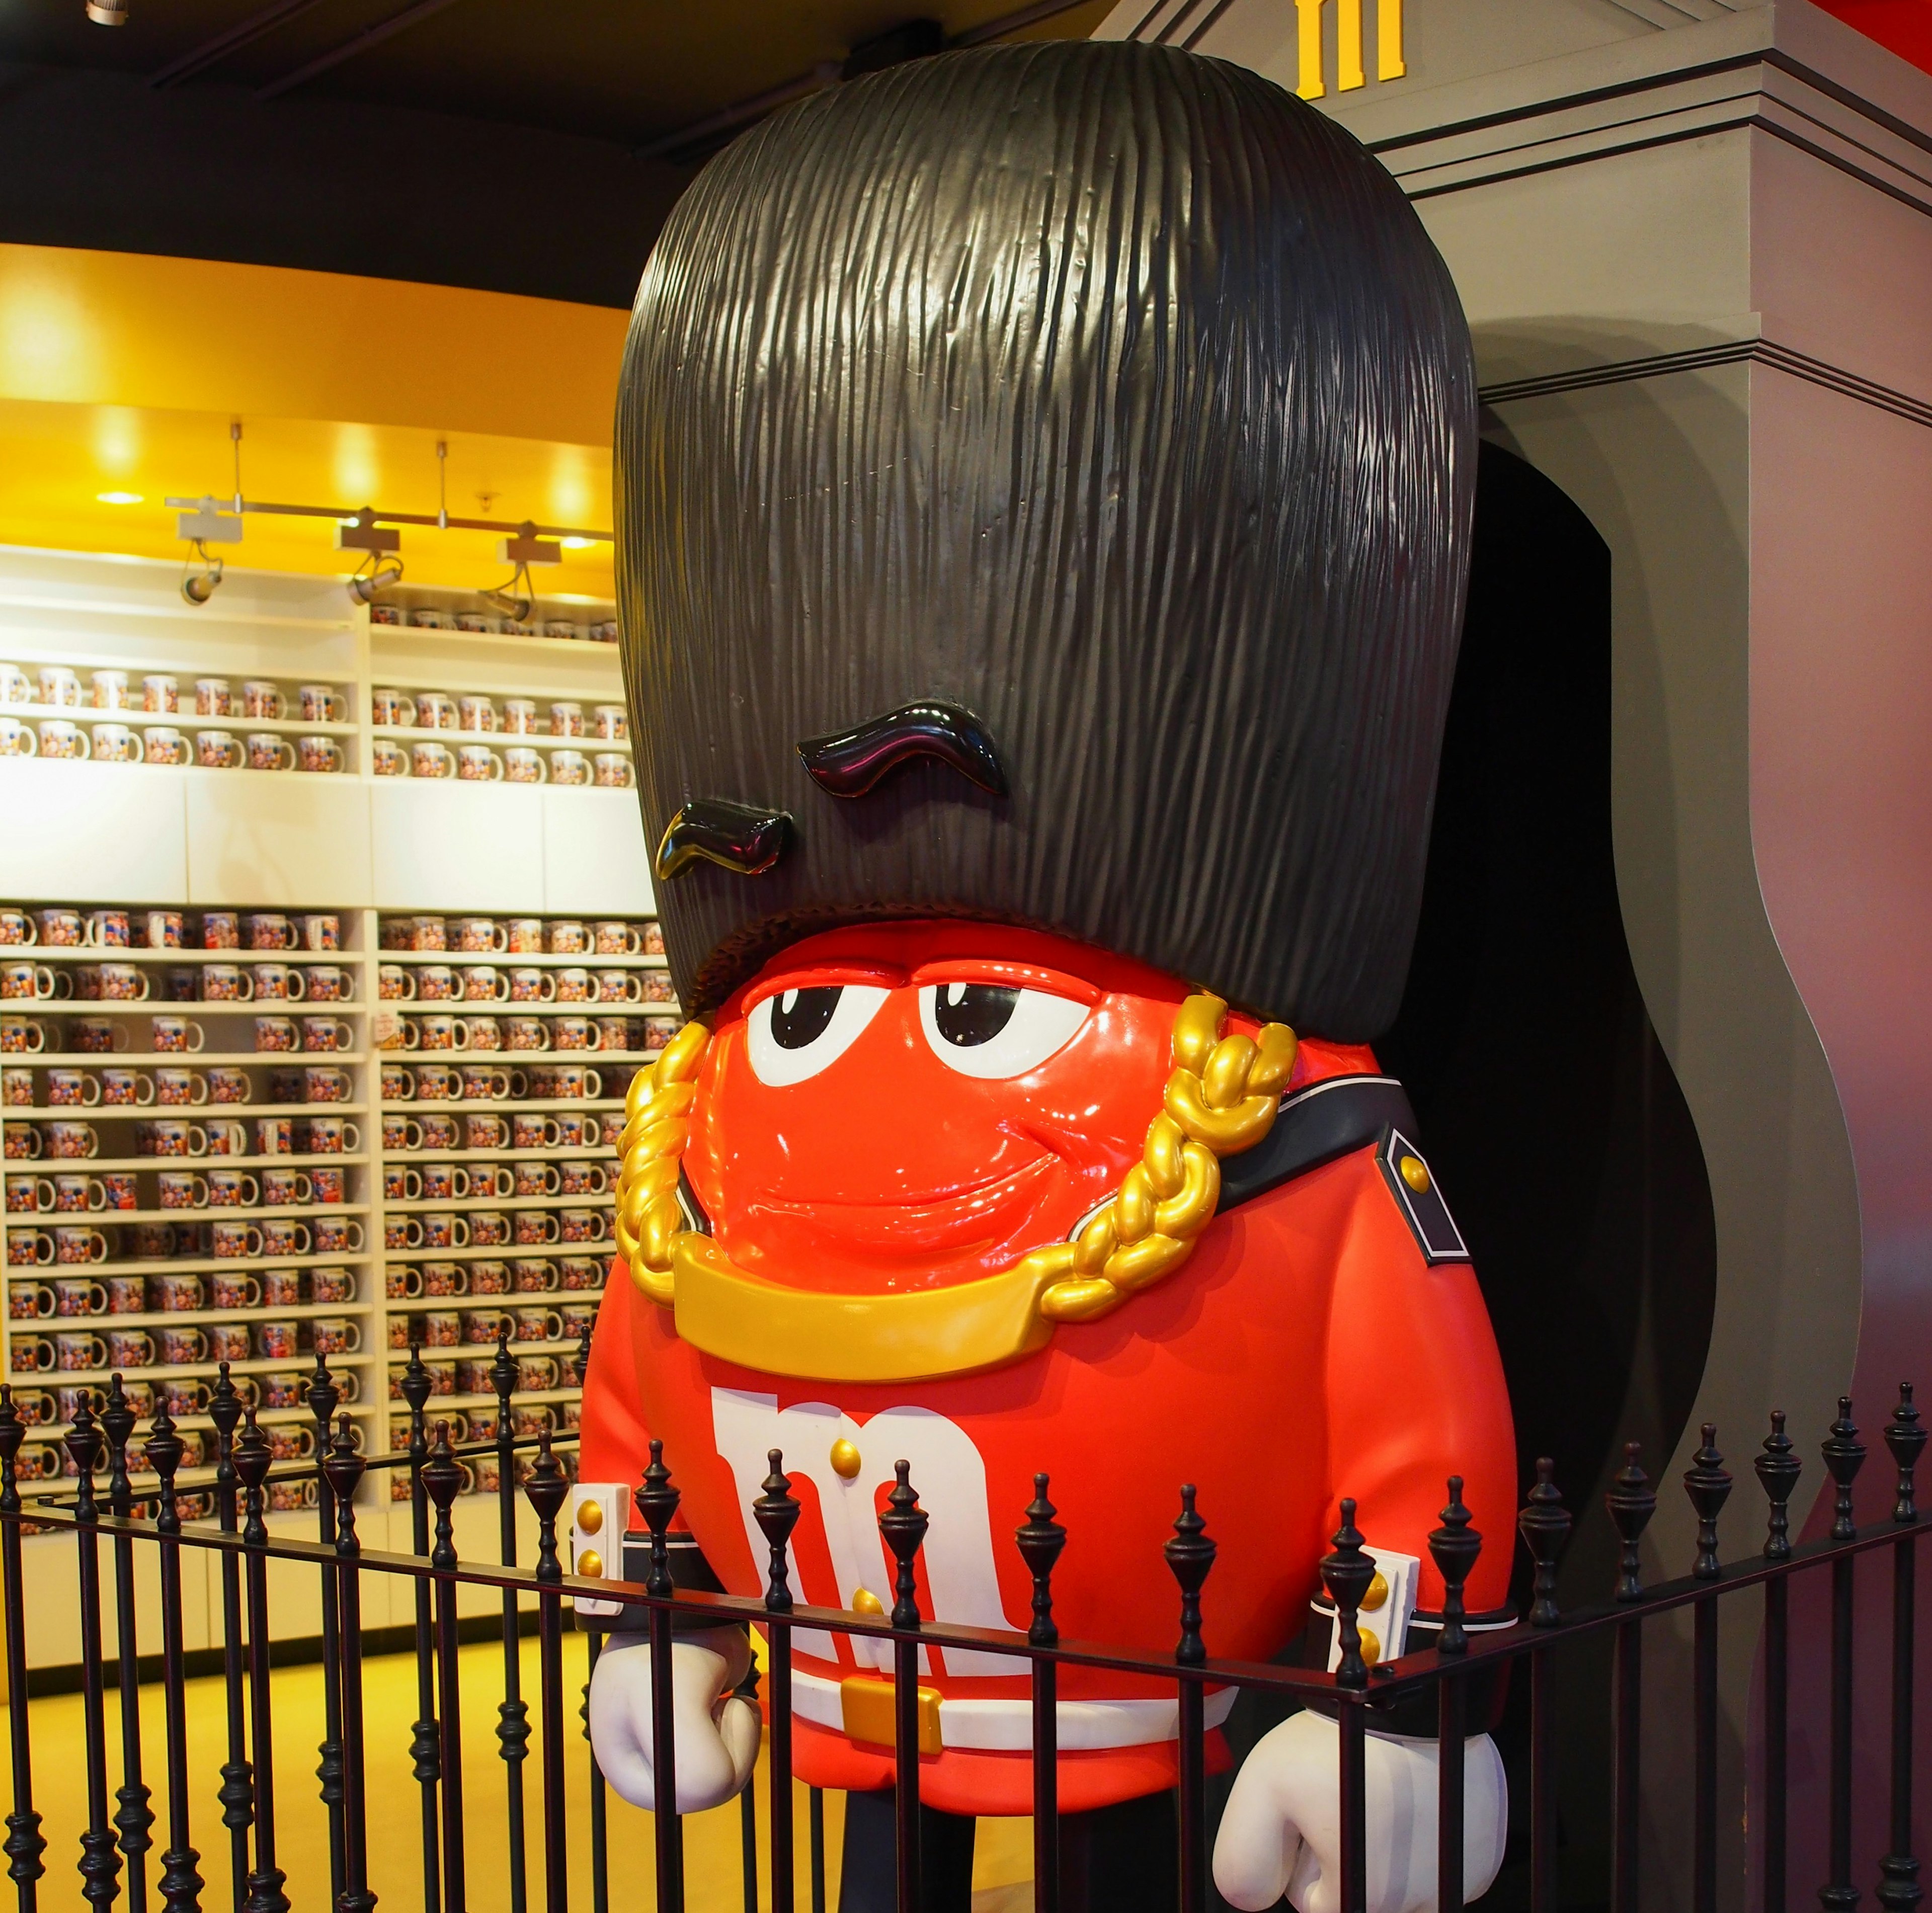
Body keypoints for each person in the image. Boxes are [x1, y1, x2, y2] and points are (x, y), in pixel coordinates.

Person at [578, 37, 1516, 1913]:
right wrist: (653, 1596)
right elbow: (640, 1391)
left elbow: (1421, 1435)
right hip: (864, 1686)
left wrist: (1397, 1705)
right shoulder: (722, 1095)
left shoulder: (1278, 1110)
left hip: (1144, 1708)